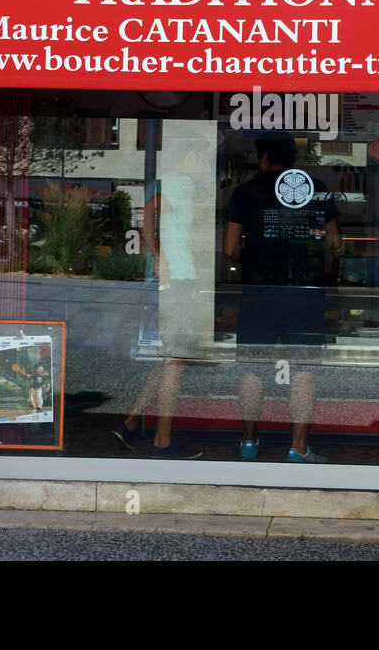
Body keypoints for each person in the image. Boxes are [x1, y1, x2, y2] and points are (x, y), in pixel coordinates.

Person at [224, 135, 340, 463]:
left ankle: (249, 443)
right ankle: (298, 449)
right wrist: (326, 275)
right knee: (302, 368)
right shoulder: (314, 187)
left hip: (258, 292)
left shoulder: (244, 192)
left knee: (252, 368)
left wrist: (252, 256)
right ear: (292, 161)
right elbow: (334, 243)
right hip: (304, 293)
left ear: (263, 158)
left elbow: (230, 248)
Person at [113, 140, 207, 459]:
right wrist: (160, 258)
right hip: (178, 280)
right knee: (176, 361)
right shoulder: (181, 183)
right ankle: (162, 443)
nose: (206, 163)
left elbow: (148, 214)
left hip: (170, 280)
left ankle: (128, 424)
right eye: (203, 156)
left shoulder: (163, 181)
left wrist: (157, 258)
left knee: (171, 359)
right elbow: (149, 212)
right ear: (190, 154)